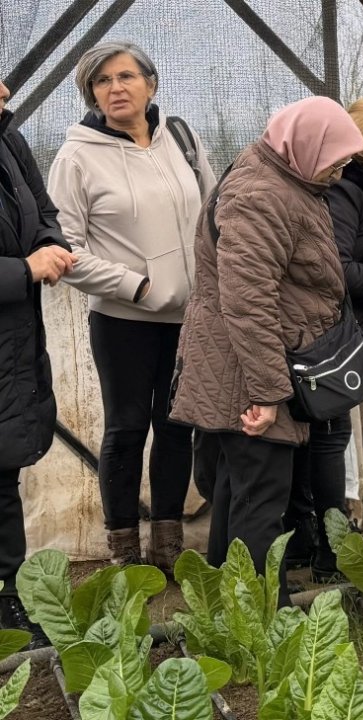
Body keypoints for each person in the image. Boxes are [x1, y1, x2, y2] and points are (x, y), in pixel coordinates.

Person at [169, 96, 363, 598]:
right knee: (263, 501)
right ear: (304, 145)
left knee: (241, 493)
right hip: (247, 369)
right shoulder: (262, 195)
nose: (340, 172)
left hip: (250, 363)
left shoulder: (286, 179)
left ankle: (226, 605)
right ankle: (260, 619)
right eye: (335, 159)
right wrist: (268, 393)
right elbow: (247, 301)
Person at [48, 41, 215, 573]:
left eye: (125, 77)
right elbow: (63, 249)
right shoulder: (76, 156)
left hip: (188, 318)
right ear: (91, 94)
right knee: (125, 428)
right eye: (101, 81)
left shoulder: (181, 139)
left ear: (151, 83)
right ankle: (124, 550)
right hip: (124, 320)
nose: (115, 88)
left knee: (175, 426)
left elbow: (214, 214)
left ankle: (168, 545)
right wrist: (138, 287)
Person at [284, 97, 363, 580]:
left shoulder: (353, 188)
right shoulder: (345, 190)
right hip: (327, 332)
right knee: (328, 436)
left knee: (313, 436)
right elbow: (328, 266)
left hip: (333, 326)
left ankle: (302, 543)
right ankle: (329, 550)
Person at [0, 77, 73, 647]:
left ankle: (10, 604)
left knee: (4, 475)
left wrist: (47, 247)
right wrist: (24, 269)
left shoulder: (8, 141)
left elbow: (44, 210)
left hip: (13, 343)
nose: (3, 89)